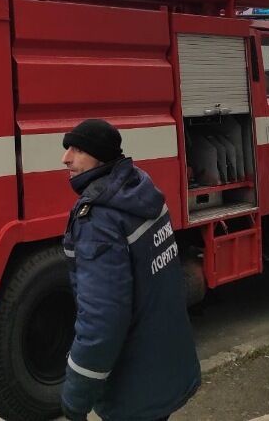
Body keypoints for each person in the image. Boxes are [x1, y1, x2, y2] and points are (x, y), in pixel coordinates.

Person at [60, 118, 200, 421]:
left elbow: (101, 320)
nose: (65, 158)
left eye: (77, 150)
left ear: (100, 156)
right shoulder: (139, 189)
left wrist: (75, 397)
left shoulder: (99, 220)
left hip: (134, 386)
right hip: (163, 368)